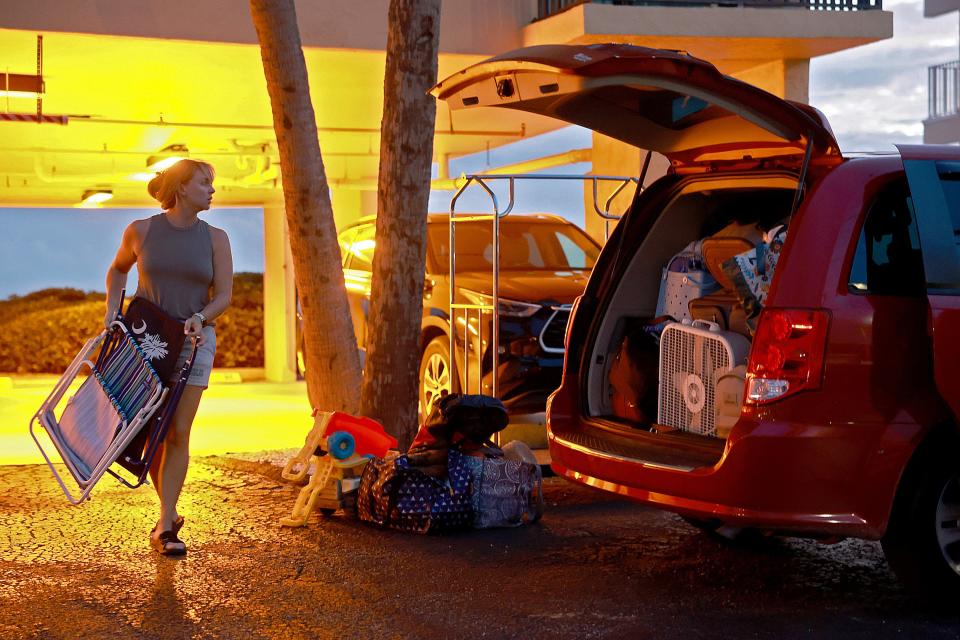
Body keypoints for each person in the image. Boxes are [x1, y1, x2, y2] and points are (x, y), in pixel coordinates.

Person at [104, 159, 233, 556]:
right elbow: (117, 271)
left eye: (212, 184)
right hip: (146, 341)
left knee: (177, 430)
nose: (212, 190)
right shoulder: (140, 231)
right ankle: (168, 511)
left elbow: (223, 297)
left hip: (194, 342)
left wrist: (199, 318)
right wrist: (111, 311)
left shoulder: (216, 238)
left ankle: (165, 525)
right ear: (180, 188)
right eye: (204, 183)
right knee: (150, 429)